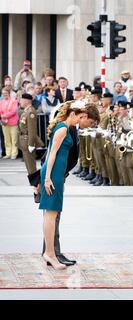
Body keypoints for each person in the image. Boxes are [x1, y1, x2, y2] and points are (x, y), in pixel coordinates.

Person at [39, 103, 100, 266]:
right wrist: (46, 179)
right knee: (51, 214)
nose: (81, 120)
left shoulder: (65, 127)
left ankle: (50, 252)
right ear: (75, 114)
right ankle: (50, 253)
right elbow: (51, 154)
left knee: (52, 213)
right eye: (80, 117)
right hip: (53, 174)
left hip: (57, 174)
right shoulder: (63, 128)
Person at [18, 93, 44, 173]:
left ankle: (36, 184)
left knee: (31, 166)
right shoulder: (26, 111)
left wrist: (31, 144)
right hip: (24, 140)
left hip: (27, 140)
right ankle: (35, 183)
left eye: (21, 100)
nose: (20, 102)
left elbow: (32, 129)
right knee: (28, 165)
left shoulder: (31, 112)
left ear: (27, 101)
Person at [0, 87, 19, 159]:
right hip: (4, 123)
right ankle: (8, 153)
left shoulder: (14, 101)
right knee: (6, 139)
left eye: (6, 93)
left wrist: (4, 116)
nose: (4, 94)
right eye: (3, 93)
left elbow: (13, 111)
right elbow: (0, 111)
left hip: (13, 122)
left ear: (9, 93)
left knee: (14, 139)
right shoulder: (1, 102)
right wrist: (2, 116)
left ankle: (14, 153)